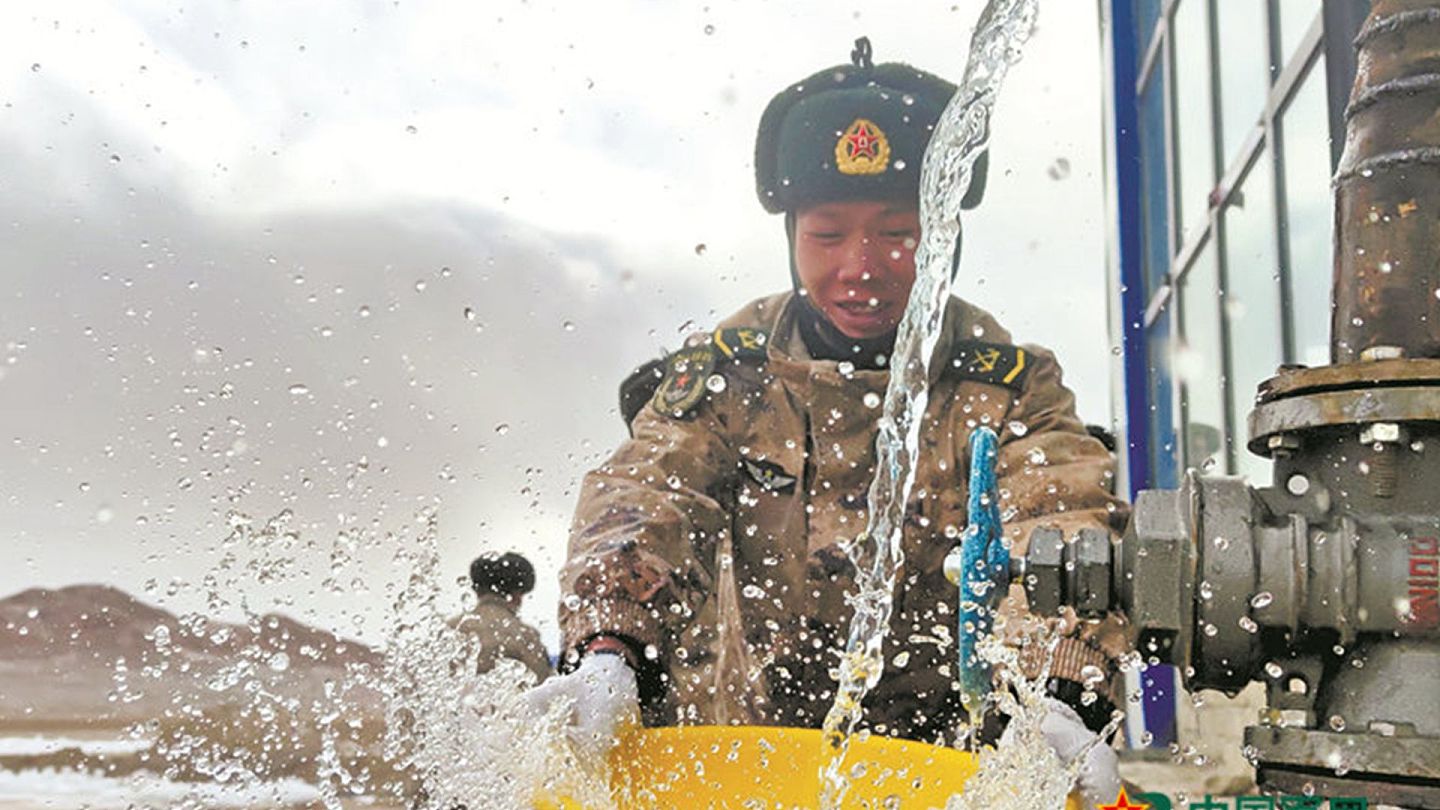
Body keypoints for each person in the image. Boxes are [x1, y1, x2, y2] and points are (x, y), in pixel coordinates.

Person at [526, 40, 1130, 803]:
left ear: (944, 235)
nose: (862, 266)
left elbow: (1062, 518)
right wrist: (609, 643)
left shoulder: (1007, 384)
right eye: (827, 234)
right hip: (745, 765)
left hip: (951, 777)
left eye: (897, 232)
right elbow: (650, 491)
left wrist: (1057, 692)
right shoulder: (730, 373)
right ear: (791, 240)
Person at [451, 551, 551, 681]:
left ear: (477, 590)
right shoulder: (524, 636)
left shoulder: (449, 629)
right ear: (517, 595)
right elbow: (544, 688)